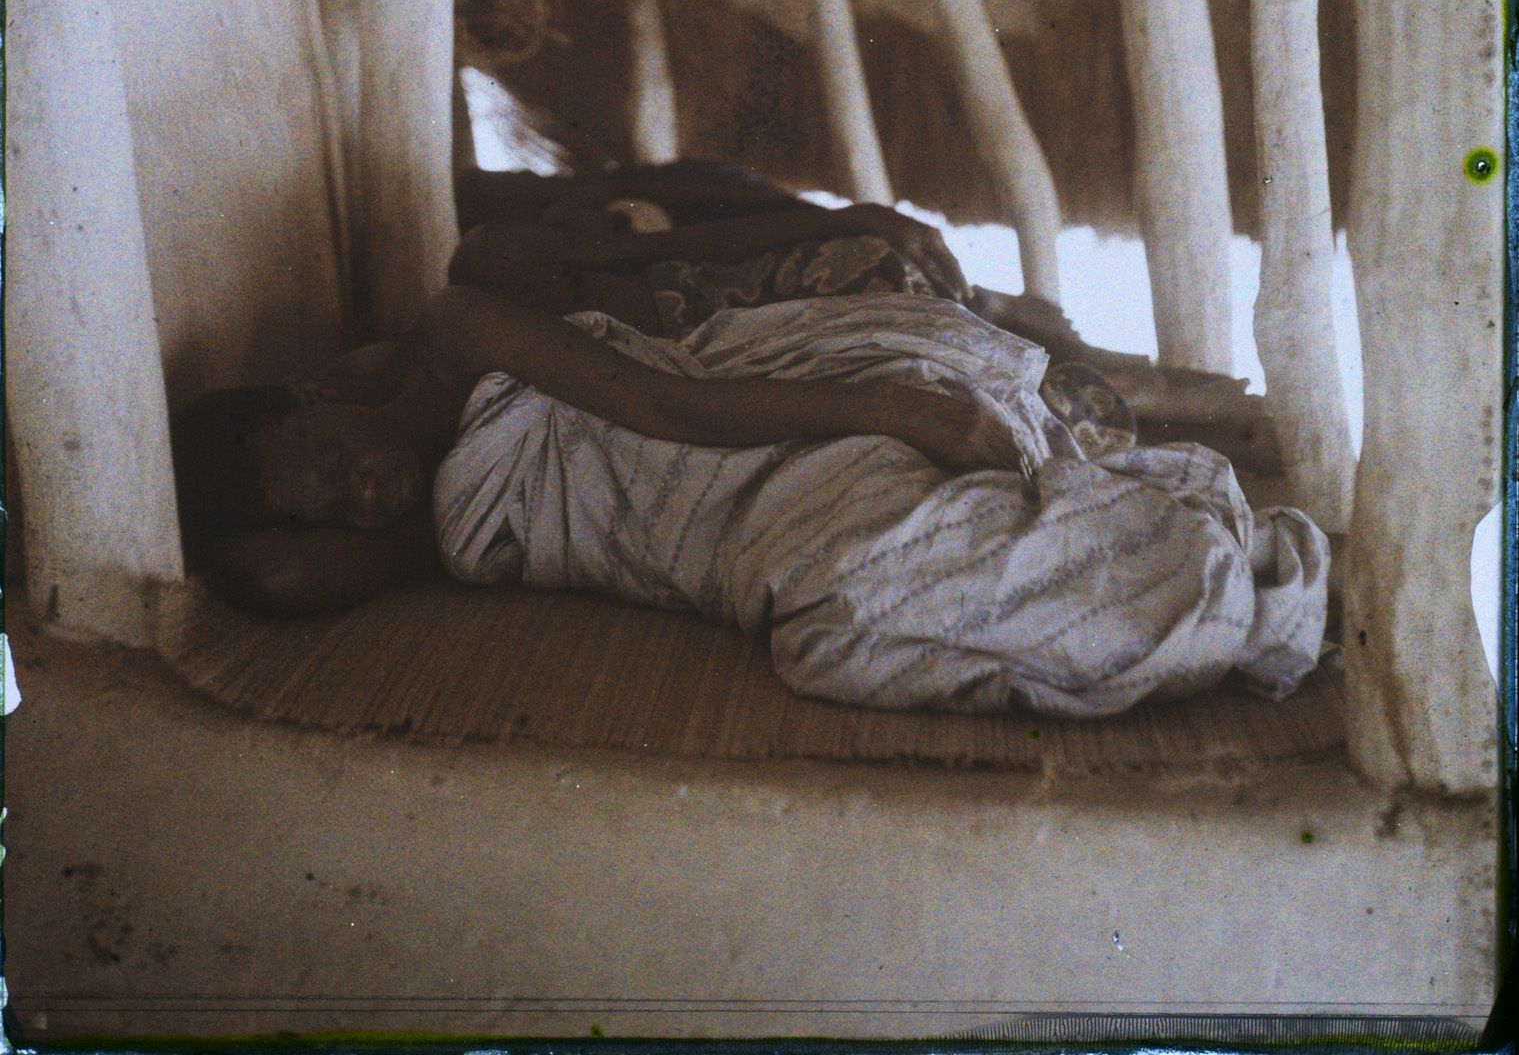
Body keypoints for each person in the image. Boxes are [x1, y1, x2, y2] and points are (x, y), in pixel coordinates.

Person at [173, 188, 1328, 718]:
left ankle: (1187, 566)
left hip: (731, 449)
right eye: (325, 507)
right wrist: (244, 510)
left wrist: (892, 408)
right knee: (836, 633)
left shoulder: (457, 329)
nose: (356, 494)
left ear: (314, 397)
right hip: (706, 548)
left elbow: (665, 405)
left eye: (328, 461)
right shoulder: (401, 525)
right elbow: (277, 571)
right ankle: (1176, 566)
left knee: (869, 564)